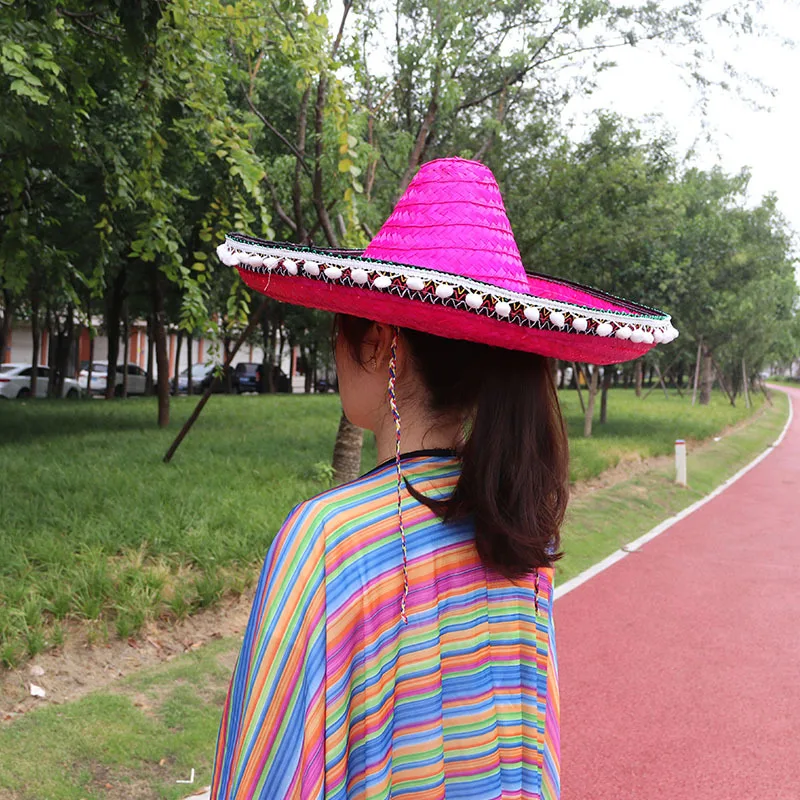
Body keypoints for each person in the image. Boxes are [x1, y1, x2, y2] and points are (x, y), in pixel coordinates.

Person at [210, 158, 676, 799]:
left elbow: (266, 779)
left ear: (377, 342)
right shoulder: (518, 533)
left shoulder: (326, 543)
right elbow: (537, 757)